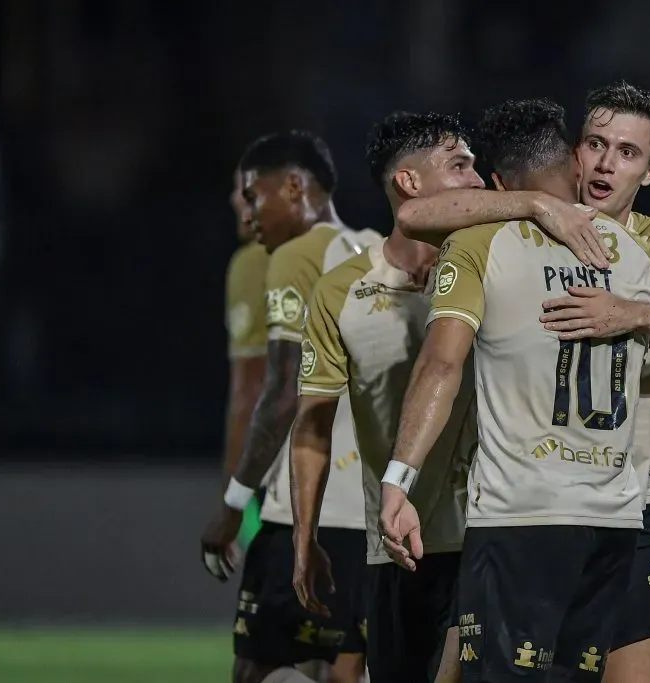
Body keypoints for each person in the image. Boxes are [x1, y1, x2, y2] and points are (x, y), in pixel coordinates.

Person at [394, 81, 650, 683]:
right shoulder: (519, 229)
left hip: (631, 505)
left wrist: (631, 315)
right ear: (574, 152)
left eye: (628, 152)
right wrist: (534, 204)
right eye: (596, 144)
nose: (607, 162)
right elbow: (416, 215)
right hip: (525, 502)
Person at [289, 111, 485, 683]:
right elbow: (313, 424)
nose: (478, 180)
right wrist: (305, 537)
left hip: (497, 535)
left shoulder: (500, 267)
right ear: (410, 183)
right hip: (400, 546)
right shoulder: (341, 290)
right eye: (460, 166)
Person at [200, 130, 379, 683]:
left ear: (296, 187)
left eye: (254, 195)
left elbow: (273, 392)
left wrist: (233, 504)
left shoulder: (288, 257)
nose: (248, 212)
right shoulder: (375, 248)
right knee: (343, 670)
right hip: (370, 516)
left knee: (255, 668)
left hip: (304, 511)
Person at [223, 167, 269, 550]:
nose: (235, 200)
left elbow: (248, 389)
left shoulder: (255, 261)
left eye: (247, 190)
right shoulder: (349, 249)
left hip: (287, 484)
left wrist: (233, 499)